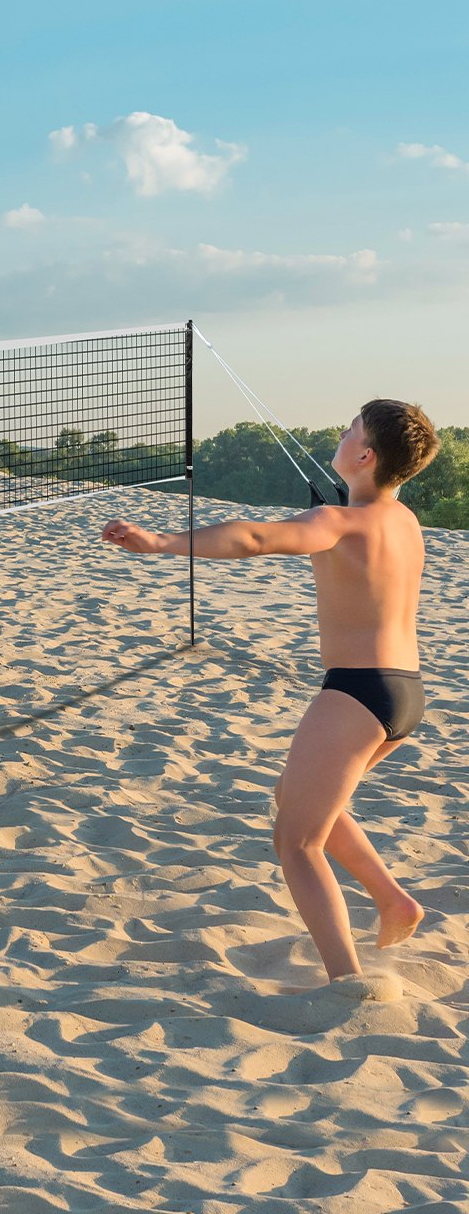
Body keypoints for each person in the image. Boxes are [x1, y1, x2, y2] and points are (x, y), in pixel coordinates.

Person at [102, 400, 440, 987]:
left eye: (350, 429)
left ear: (365, 456)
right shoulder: (403, 521)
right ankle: (393, 901)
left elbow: (254, 538)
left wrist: (160, 542)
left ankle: (346, 982)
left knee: (297, 841)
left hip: (358, 693)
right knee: (297, 799)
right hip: (405, 693)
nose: (340, 434)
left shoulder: (340, 521)